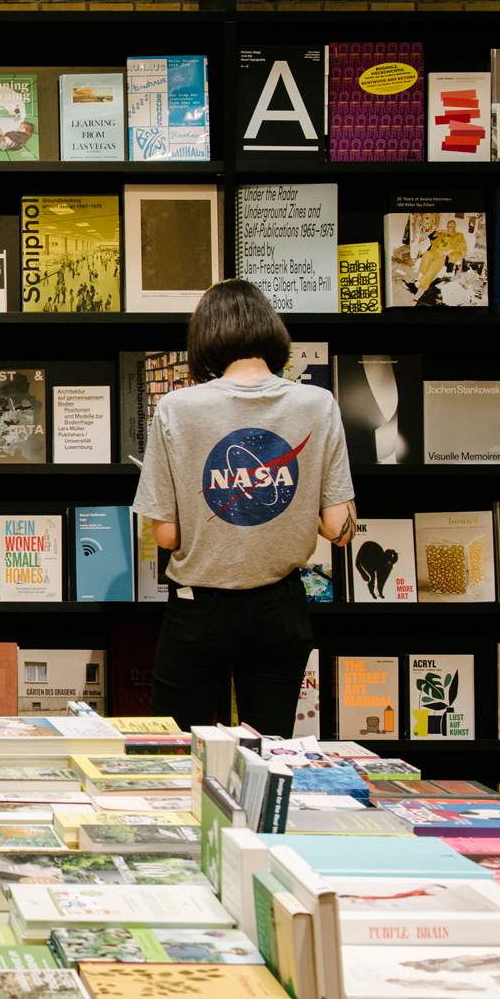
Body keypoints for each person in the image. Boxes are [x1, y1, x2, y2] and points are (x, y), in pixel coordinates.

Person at [130, 280, 357, 734]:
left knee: (178, 752)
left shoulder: (177, 407)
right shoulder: (318, 404)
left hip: (198, 608)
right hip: (280, 606)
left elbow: (167, 536)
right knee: (268, 754)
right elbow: (339, 528)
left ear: (205, 337)